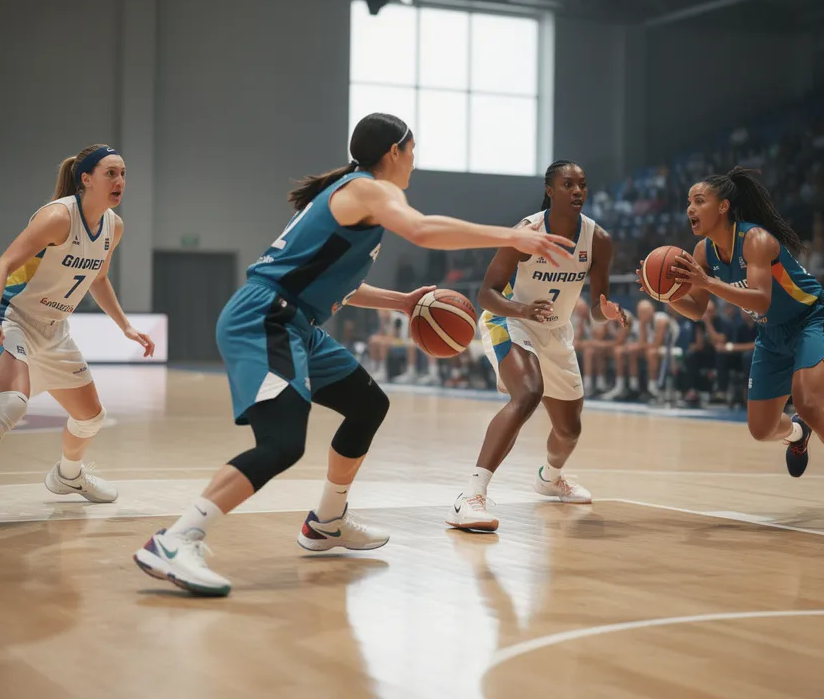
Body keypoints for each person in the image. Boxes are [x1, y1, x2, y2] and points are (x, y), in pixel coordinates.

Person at [132, 114, 573, 595]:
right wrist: (511, 236)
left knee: (367, 405)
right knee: (281, 444)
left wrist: (401, 302)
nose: (414, 162)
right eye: (412, 151)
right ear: (394, 152)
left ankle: (327, 520)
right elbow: (423, 230)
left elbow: (342, 286)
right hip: (265, 319)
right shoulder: (367, 189)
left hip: (296, 322)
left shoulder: (355, 196)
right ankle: (176, 540)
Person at [0, 144, 155, 534]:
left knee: (91, 418)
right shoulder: (58, 216)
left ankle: (68, 475)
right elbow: (1, 265)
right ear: (86, 179)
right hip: (9, 315)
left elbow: (98, 278)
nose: (120, 181)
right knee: (11, 402)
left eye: (123, 174)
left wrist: (125, 327)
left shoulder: (113, 226)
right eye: (111, 173)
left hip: (53, 327)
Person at [650, 166, 824, 531]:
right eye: (688, 202)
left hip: (815, 318)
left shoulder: (755, 240)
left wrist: (708, 282)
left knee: (809, 403)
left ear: (723, 206)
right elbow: (697, 309)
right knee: (761, 428)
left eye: (699, 201)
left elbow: (761, 299)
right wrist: (665, 295)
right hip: (772, 333)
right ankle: (797, 434)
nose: (690, 208)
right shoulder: (703, 251)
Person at [448, 161, 628, 532]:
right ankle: (471, 496)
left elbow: (597, 309)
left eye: (582, 184)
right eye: (568, 184)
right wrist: (521, 309)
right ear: (550, 190)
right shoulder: (526, 232)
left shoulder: (597, 239)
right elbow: (487, 293)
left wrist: (606, 312)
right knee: (528, 393)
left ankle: (550, 478)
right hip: (510, 320)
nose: (577, 191)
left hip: (556, 331)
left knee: (569, 430)